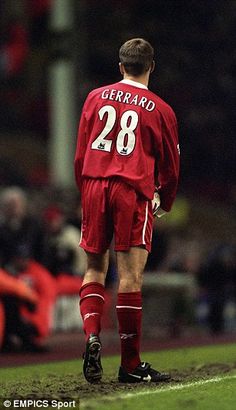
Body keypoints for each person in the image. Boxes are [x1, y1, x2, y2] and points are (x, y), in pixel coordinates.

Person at [74, 38, 180, 383]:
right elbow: (170, 166)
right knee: (131, 275)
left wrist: (85, 191)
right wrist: (164, 198)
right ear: (151, 67)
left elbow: (80, 153)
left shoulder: (94, 97)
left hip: (93, 184)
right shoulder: (161, 109)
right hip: (131, 190)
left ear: (120, 67)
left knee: (94, 267)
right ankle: (130, 365)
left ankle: (92, 334)